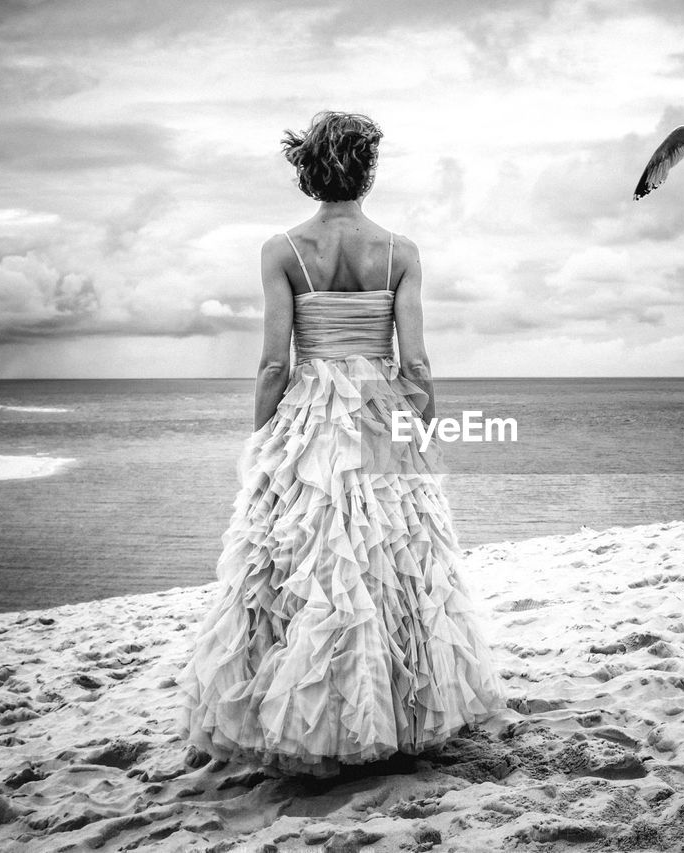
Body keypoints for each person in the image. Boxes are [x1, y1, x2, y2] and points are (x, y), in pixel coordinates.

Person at [176, 111, 504, 775]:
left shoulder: (282, 250)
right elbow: (417, 364)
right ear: (369, 170)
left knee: (300, 563)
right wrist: (423, 435)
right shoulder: (401, 251)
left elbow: (274, 362)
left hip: (311, 414)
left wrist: (266, 440)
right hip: (380, 410)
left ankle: (303, 716)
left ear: (309, 172)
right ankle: (396, 712)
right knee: (395, 558)